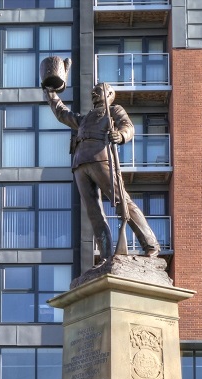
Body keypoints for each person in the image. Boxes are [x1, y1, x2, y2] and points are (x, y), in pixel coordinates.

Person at [44, 83, 160, 260]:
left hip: (101, 158)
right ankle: (106, 255)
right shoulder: (84, 118)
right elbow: (62, 113)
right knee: (94, 213)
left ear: (109, 93)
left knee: (122, 201)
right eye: (93, 91)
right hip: (80, 163)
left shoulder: (114, 109)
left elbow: (128, 126)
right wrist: (51, 94)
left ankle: (150, 243)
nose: (93, 93)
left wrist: (121, 135)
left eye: (98, 90)